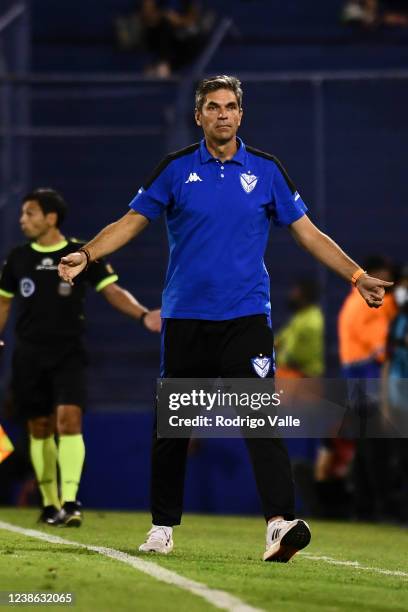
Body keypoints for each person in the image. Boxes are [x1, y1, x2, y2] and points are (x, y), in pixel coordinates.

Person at [58, 75, 392, 561]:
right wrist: (86, 256)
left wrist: (357, 275)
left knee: (260, 418)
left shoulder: (266, 170)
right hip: (186, 317)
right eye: (212, 107)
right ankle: (162, 527)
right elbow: (131, 221)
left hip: (247, 317)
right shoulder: (174, 170)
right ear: (198, 116)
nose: (222, 114)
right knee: (173, 425)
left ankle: (279, 524)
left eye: (230, 106)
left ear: (241, 114)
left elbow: (308, 233)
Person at [0, 188, 161, 526]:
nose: (22, 220)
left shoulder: (80, 254)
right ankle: (49, 503)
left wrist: (143, 315)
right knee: (39, 427)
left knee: (69, 420)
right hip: (29, 356)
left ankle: (71, 501)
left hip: (68, 354)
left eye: (29, 213)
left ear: (50, 218)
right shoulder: (17, 259)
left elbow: (112, 290)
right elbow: (3, 302)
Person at [275, 278, 324, 378]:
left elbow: (302, 355)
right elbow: (280, 339)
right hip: (290, 373)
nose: (292, 294)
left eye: (296, 292)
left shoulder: (313, 320)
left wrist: (284, 356)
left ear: (304, 296)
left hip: (304, 376)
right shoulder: (299, 317)